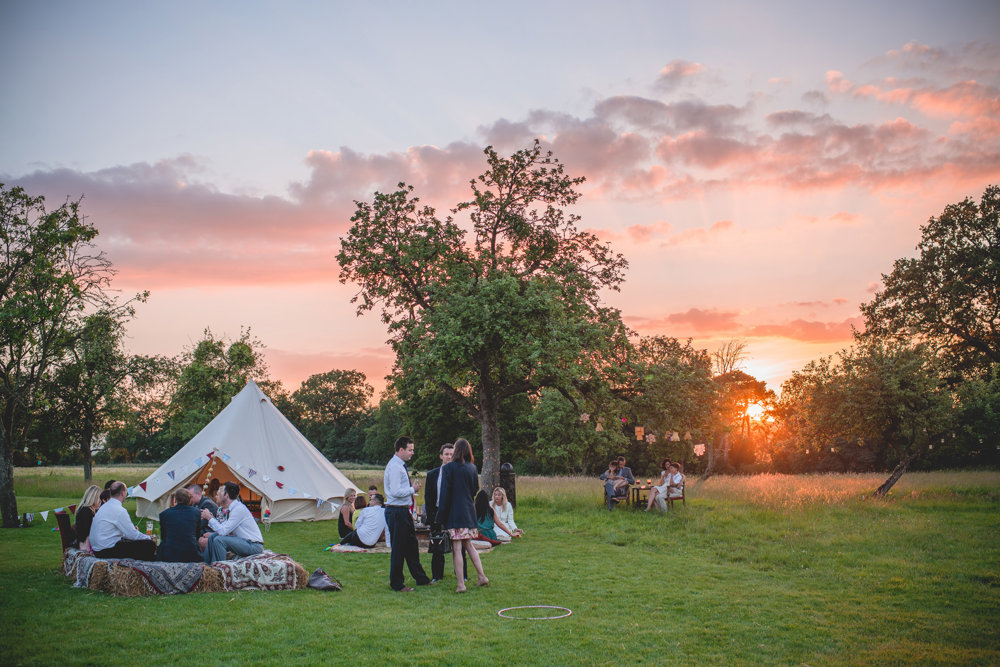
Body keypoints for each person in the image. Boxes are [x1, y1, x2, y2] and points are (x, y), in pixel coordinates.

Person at [437, 438, 490, 593]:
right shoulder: (472, 468)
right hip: (468, 511)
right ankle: (482, 576)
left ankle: (461, 585)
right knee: (469, 545)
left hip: (455, 513)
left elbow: (445, 494)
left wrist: (440, 516)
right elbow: (475, 490)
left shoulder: (448, 468)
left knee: (457, 547)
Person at [383, 436, 432, 591]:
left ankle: (421, 578)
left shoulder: (399, 466)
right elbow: (396, 492)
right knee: (399, 548)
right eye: (410, 450)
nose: (412, 453)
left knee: (412, 546)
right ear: (401, 449)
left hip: (402, 511)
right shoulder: (395, 467)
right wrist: (413, 490)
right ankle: (397, 584)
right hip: (397, 511)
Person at [426, 442, 465, 583]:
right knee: (437, 544)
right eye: (447, 454)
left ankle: (462, 574)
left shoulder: (459, 472)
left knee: (459, 544)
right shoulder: (432, 474)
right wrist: (431, 516)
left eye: (452, 454)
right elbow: (428, 497)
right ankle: (437, 575)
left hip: (454, 512)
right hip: (437, 511)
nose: (449, 457)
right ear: (441, 456)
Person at [91, 481, 157, 560]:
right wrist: (149, 538)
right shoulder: (119, 510)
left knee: (130, 542)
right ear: (123, 493)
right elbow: (132, 535)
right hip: (106, 551)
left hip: (97, 549)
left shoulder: (104, 507)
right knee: (149, 545)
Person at [200, 481, 264, 563]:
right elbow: (224, 528)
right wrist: (211, 517)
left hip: (253, 545)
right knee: (213, 537)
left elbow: (223, 532)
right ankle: (207, 565)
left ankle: (220, 569)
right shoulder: (232, 508)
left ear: (226, 495)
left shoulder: (238, 509)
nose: (218, 494)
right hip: (244, 541)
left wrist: (209, 518)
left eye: (221, 492)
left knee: (219, 540)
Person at [158, 488, 202, 562]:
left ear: (175, 500)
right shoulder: (196, 512)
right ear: (189, 500)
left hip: (170, 553)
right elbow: (197, 534)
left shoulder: (164, 514)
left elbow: (164, 536)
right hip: (191, 552)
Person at [73, 485, 103, 552]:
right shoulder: (86, 511)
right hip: (85, 544)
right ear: (94, 498)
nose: (101, 501)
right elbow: (89, 531)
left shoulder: (85, 509)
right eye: (100, 499)